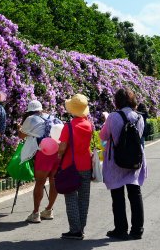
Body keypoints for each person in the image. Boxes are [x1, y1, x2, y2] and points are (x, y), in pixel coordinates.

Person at [100, 88, 146, 240]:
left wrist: (105, 120)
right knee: (135, 193)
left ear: (117, 100)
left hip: (117, 160)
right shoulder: (139, 117)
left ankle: (120, 229)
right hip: (135, 159)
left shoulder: (113, 116)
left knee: (117, 195)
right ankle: (137, 229)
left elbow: (104, 136)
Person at [19, 100, 63, 223]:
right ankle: (49, 210)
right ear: (41, 109)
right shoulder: (53, 118)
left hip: (43, 152)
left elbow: (21, 136)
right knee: (54, 181)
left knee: (40, 182)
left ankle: (35, 213)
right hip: (57, 152)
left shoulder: (31, 119)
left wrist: (19, 127)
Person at [57, 94, 93, 240]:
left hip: (70, 165)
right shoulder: (89, 125)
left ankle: (75, 230)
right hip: (86, 164)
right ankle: (81, 228)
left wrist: (59, 156)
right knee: (84, 198)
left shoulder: (69, 126)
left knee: (71, 196)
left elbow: (62, 147)